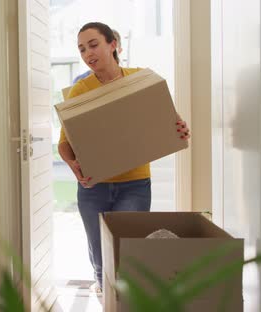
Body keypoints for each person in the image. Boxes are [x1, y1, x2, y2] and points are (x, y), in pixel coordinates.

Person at [58, 22, 191, 294]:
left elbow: (168, 122)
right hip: (94, 186)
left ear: (113, 44)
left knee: (129, 252)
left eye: (93, 45)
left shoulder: (140, 80)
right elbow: (64, 144)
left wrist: (180, 128)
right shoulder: (80, 91)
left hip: (135, 183)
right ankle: (105, 296)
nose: (87, 53)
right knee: (99, 254)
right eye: (82, 49)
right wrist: (74, 166)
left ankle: (127, 302)